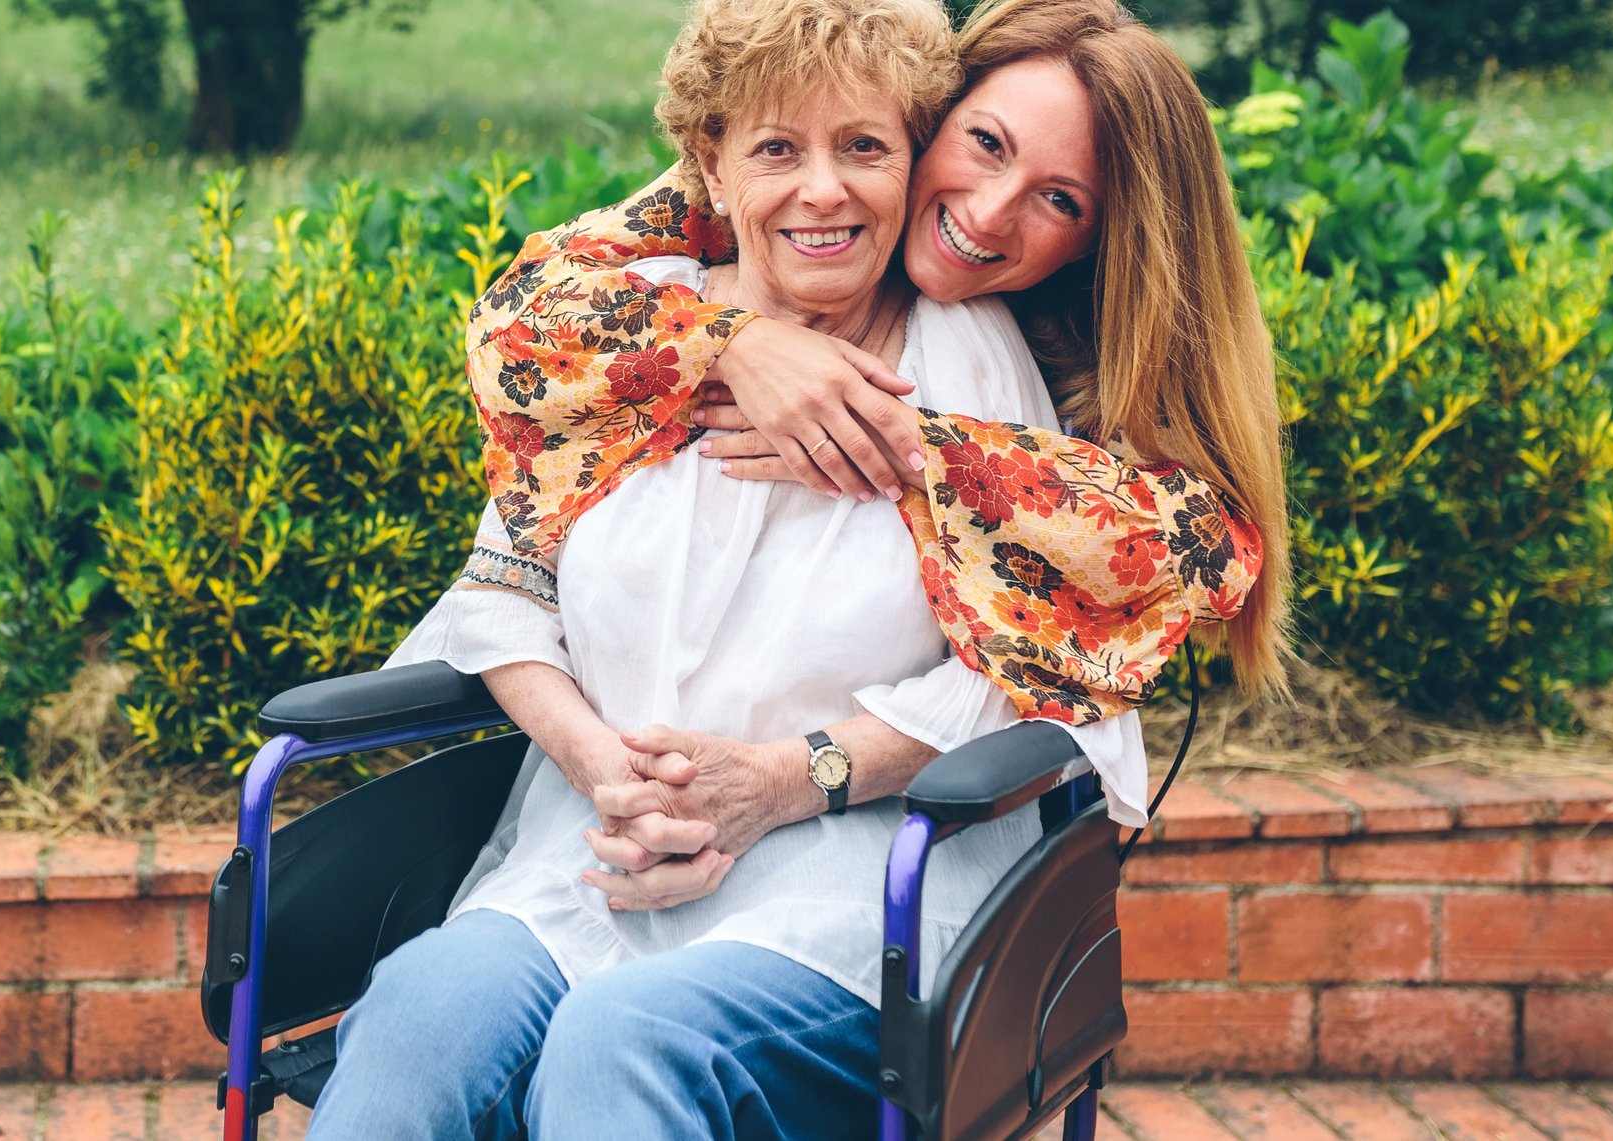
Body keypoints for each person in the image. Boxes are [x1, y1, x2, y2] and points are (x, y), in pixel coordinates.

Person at [304, 0, 1282, 1134]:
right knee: (416, 1017)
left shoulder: (983, 374)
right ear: (712, 165)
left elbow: (1030, 668)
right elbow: (505, 585)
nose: (824, 188)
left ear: (903, 149)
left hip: (847, 883)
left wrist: (780, 779)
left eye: (863, 146)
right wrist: (603, 766)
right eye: (777, 148)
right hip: (589, 855)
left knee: (627, 1040)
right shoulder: (624, 330)